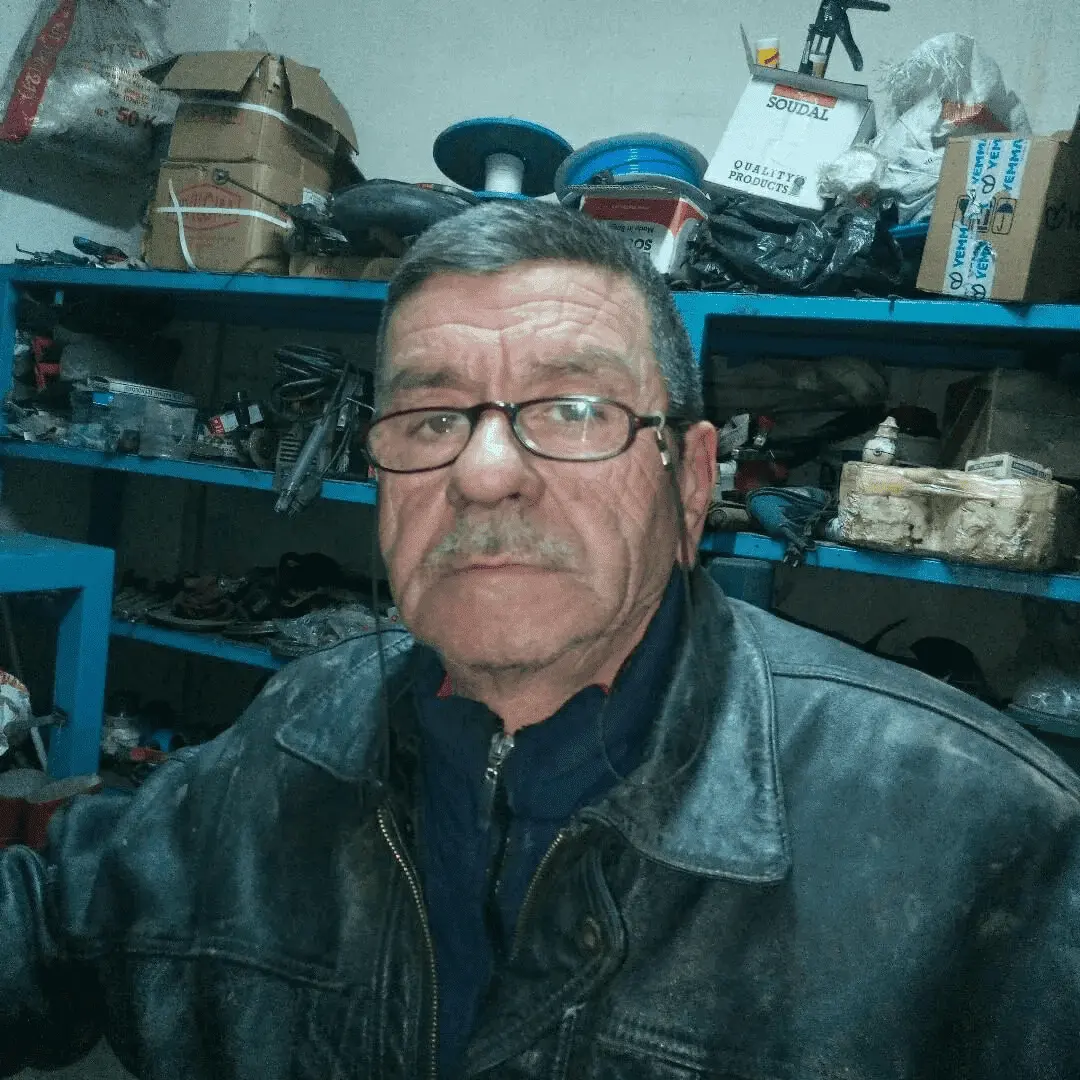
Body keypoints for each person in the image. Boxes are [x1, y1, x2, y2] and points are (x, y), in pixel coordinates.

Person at [2, 201, 1079, 1080]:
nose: (482, 474)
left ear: (692, 484)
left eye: (573, 410)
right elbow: (55, 926)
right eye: (431, 419)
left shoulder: (985, 841)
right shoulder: (298, 733)